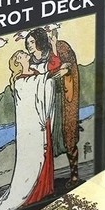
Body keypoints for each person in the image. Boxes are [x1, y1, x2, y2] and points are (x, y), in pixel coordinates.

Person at [0, 49, 67, 210]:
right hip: (32, 128)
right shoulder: (20, 82)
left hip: (42, 122)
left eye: (23, 53)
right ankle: (32, 194)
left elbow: (45, 82)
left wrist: (54, 73)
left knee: (44, 157)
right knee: (33, 161)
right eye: (20, 55)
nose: (24, 54)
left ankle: (45, 190)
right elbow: (41, 83)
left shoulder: (34, 73)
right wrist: (57, 73)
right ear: (18, 63)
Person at [25, 27, 80, 188]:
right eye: (28, 42)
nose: (29, 45)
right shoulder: (31, 60)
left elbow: (67, 67)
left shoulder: (59, 48)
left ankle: (74, 176)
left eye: (32, 42)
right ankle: (43, 181)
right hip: (44, 102)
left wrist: (60, 69)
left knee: (68, 136)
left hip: (61, 100)